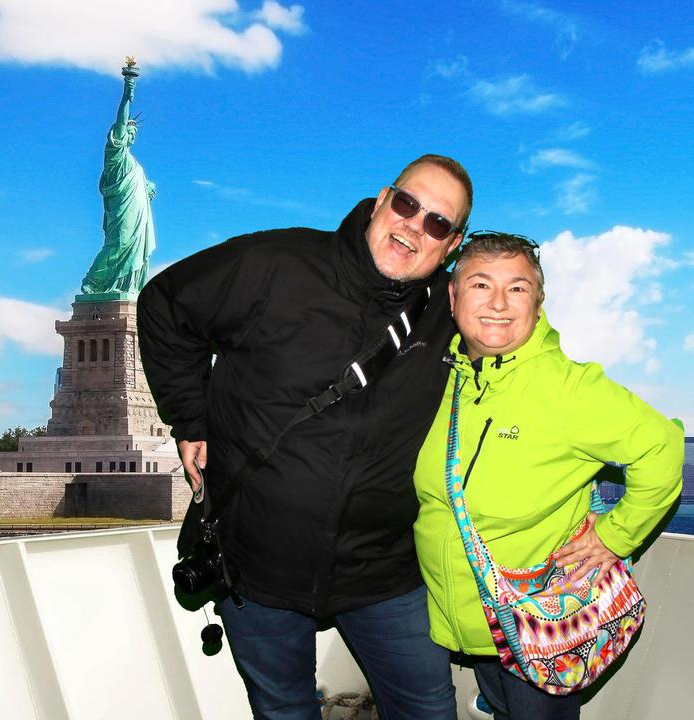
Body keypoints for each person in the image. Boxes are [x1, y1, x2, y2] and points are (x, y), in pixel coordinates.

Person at [137, 155, 472, 720]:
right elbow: (166, 304)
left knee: (428, 709)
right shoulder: (277, 263)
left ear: (452, 245)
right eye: (407, 204)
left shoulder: (453, 311)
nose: (414, 226)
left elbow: (522, 348)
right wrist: (190, 418)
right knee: (284, 709)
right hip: (255, 564)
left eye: (437, 223)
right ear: (382, 200)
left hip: (385, 573)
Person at [413, 232, 683, 720]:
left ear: (537, 303)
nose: (498, 303)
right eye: (480, 284)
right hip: (475, 625)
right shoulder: (444, 379)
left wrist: (616, 536)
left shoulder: (568, 387)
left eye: (517, 288)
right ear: (453, 297)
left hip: (541, 623)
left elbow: (661, 446)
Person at [81, 67, 157, 296]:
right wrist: (127, 92)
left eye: (134, 134)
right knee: (119, 244)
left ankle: (128, 287)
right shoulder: (115, 154)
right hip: (122, 211)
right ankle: (92, 282)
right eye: (128, 132)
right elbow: (121, 122)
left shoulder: (135, 164)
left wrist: (147, 188)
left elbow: (137, 184)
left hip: (138, 213)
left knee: (135, 248)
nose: (131, 136)